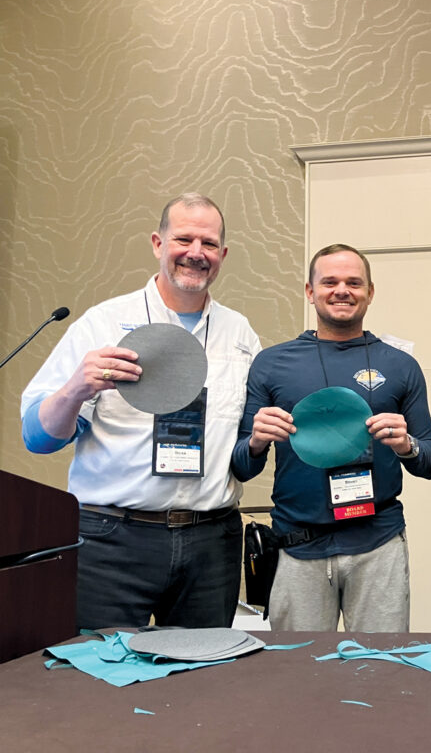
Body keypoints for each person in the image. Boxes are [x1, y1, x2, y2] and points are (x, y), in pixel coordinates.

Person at [21, 193, 260, 629]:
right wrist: (75, 388)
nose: (195, 253)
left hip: (211, 542)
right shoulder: (102, 323)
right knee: (97, 677)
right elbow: (36, 438)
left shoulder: (240, 333)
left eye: (208, 243)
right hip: (111, 541)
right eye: (183, 239)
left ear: (222, 254)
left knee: (202, 684)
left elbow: (246, 445)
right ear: (157, 243)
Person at [231, 244, 431, 631]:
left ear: (370, 292)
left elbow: (429, 461)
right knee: (299, 677)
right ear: (310, 291)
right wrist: (257, 441)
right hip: (297, 548)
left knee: (380, 670)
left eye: (353, 282)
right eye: (330, 282)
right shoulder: (272, 363)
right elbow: (241, 465)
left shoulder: (400, 365)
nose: (342, 290)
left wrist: (407, 445)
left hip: (379, 545)